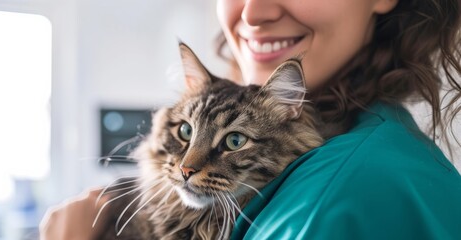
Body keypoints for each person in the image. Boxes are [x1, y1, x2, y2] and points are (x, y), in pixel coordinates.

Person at [40, 0, 461, 239]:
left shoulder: (352, 192)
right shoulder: (365, 139)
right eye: (186, 133)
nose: (253, 13)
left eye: (233, 141)